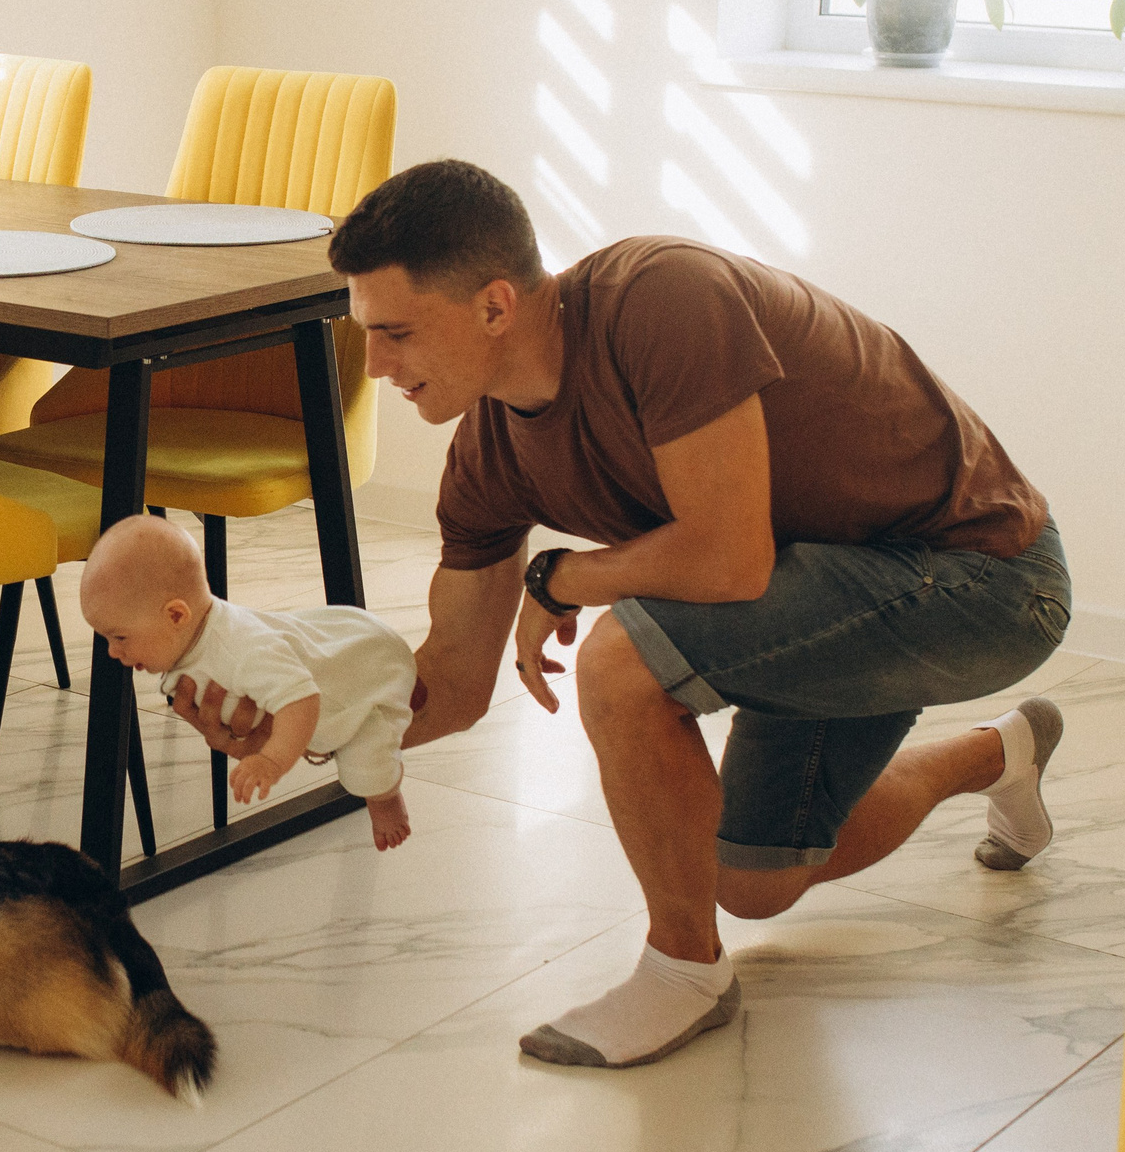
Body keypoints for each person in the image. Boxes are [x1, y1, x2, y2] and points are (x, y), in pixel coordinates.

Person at [169, 160, 1072, 1070]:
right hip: (827, 586)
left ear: (495, 306)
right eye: (366, 333)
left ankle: (684, 973)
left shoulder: (663, 300)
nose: (376, 365)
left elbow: (730, 556)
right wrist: (307, 717)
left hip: (986, 578)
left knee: (620, 660)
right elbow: (453, 682)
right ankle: (1003, 754)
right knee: (748, 879)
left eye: (396, 333)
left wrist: (562, 577)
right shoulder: (487, 456)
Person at [82, 515, 420, 851]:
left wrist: (272, 760)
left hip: (366, 675)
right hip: (333, 668)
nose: (112, 651)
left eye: (119, 637)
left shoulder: (240, 647)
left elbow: (301, 700)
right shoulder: (187, 647)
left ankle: (386, 800)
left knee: (365, 766)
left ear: (176, 615)